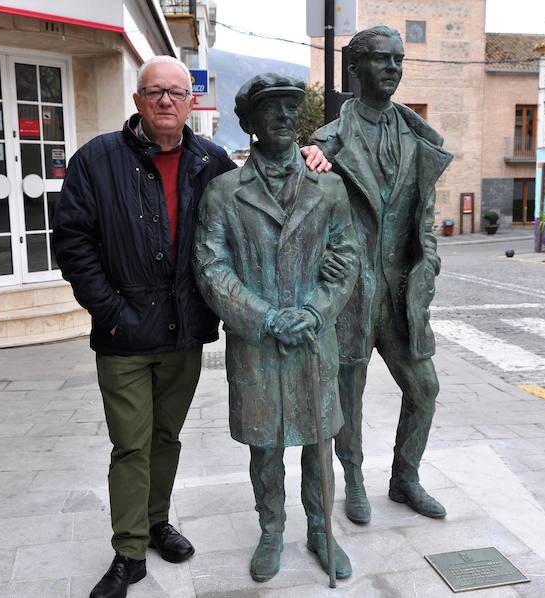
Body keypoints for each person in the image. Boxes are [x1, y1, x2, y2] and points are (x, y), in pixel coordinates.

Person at [52, 56, 331, 598]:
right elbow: (72, 242)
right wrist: (111, 312)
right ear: (137, 100)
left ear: (190, 102)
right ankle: (129, 551)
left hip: (182, 333)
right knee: (130, 444)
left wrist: (307, 154)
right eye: (155, 91)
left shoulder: (211, 160)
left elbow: (259, 183)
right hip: (124, 334)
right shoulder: (97, 160)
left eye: (176, 93)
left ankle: (156, 522)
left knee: (165, 437)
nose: (166, 100)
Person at [194, 73, 359, 582]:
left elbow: (345, 258)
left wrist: (315, 311)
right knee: (265, 447)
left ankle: (320, 530)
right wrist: (264, 317)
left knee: (318, 443)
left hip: (313, 337)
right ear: (249, 121)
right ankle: (271, 530)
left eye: (292, 108)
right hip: (257, 345)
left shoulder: (329, 187)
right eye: (272, 108)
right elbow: (211, 267)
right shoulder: (223, 193)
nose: (285, 117)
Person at [312, 26, 454, 524]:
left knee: (425, 388)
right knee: (348, 394)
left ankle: (405, 478)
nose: (392, 67)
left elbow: (424, 219)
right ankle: (353, 479)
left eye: (398, 59)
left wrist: (429, 262)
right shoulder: (326, 144)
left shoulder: (418, 139)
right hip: (351, 294)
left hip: (401, 293)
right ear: (355, 68)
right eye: (381, 59)